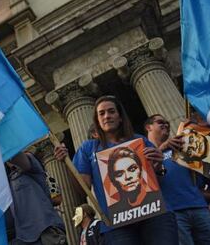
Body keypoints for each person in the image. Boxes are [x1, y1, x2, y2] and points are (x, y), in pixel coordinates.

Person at [55, 95, 178, 245]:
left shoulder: (140, 141)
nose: (107, 116)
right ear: (97, 120)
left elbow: (159, 180)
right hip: (117, 225)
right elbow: (83, 188)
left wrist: (158, 166)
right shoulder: (88, 148)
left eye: (111, 111)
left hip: (156, 216)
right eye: (101, 113)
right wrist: (67, 164)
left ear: (120, 117)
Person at [144, 114, 210, 245]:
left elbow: (198, 185)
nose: (166, 124)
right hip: (172, 214)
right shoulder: (145, 154)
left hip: (199, 208)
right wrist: (162, 148)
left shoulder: (182, 149)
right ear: (148, 127)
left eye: (167, 123)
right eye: (160, 122)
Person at [5, 152, 67, 245]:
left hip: (42, 234)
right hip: (17, 239)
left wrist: (1, 145)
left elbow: (20, 159)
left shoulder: (27, 170)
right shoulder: (0, 184)